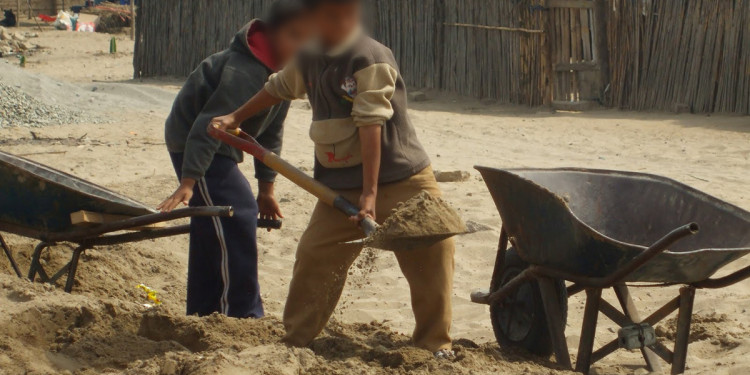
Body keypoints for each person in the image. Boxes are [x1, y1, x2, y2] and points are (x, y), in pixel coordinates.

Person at [211, 0, 455, 357]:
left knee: (433, 252)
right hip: (338, 188)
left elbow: (370, 124)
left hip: (404, 179)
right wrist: (235, 116)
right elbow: (278, 87)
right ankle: (295, 341)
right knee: (314, 256)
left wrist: (370, 195)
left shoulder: (369, 58)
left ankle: (435, 345)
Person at [157, 0, 314, 319]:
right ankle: (242, 314)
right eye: (292, 36)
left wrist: (267, 190)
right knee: (236, 213)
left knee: (212, 225)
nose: (299, 46)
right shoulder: (245, 71)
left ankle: (203, 312)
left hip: (221, 144)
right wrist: (189, 181)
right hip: (195, 142)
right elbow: (207, 125)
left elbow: (269, 135)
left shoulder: (283, 75)